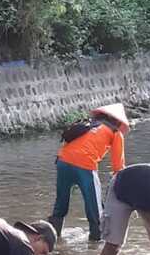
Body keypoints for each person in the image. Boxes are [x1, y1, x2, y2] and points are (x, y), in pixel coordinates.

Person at [49, 103, 129, 242]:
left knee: (61, 203)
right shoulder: (115, 133)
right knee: (94, 208)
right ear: (118, 121)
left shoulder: (88, 124)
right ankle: (95, 244)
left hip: (63, 162)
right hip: (85, 166)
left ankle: (52, 239)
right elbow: (118, 167)